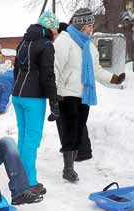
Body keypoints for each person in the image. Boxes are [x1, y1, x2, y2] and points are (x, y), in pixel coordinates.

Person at [54, 8, 125, 182]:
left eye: (92, 25)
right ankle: (68, 168)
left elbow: (97, 70)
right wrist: (54, 93)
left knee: (78, 129)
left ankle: (72, 163)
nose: (91, 29)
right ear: (79, 25)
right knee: (70, 130)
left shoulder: (89, 46)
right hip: (66, 94)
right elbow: (55, 67)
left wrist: (113, 79)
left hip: (83, 94)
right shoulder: (65, 41)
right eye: (88, 25)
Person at [12, 11, 60, 196]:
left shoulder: (23, 42)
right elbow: (48, 76)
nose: (56, 33)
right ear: (49, 27)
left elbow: (17, 71)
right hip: (33, 98)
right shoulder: (46, 45)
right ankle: (29, 182)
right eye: (55, 29)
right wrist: (54, 103)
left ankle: (18, 176)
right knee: (32, 140)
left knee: (23, 137)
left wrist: (17, 90)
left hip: (18, 95)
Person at [55, 22, 93, 162]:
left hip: (67, 90)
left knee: (68, 123)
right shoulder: (78, 42)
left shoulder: (66, 41)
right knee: (77, 122)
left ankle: (77, 153)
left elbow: (58, 68)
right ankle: (82, 151)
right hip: (76, 90)